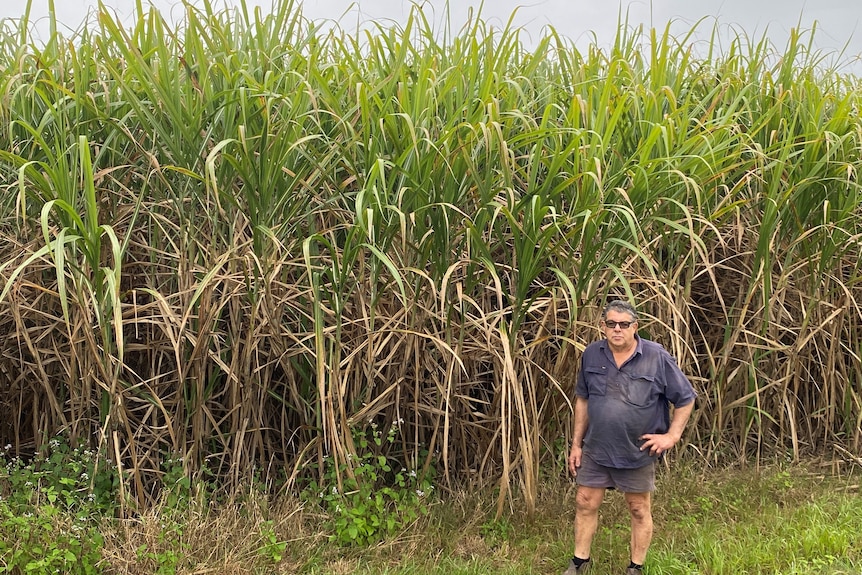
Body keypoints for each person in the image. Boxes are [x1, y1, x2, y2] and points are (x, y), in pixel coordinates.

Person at [562, 300, 697, 575]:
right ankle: (579, 562)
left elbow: (686, 398)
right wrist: (576, 444)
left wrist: (671, 436)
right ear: (603, 326)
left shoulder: (656, 356)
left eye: (624, 324)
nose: (617, 329)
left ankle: (635, 567)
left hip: (638, 449)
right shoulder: (591, 355)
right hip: (596, 447)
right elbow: (583, 400)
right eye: (611, 324)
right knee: (585, 501)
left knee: (637, 507)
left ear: (635, 327)